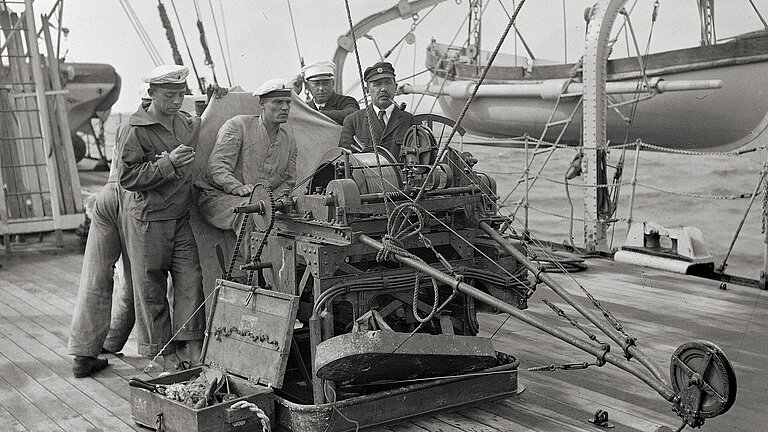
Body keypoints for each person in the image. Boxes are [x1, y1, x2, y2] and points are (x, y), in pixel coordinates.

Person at [115, 64, 206, 371]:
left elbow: (206, 119)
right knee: (151, 287)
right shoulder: (135, 129)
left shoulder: (186, 123)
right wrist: (167, 163)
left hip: (179, 218)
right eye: (169, 95)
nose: (176, 100)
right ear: (151, 94)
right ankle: (163, 354)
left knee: (191, 282)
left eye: (181, 94)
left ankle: (192, 348)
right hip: (148, 221)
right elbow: (127, 178)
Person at [196, 78, 298, 235]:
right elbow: (217, 167)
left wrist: (272, 201)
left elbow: (289, 180)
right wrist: (237, 187)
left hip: (261, 201)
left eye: (287, 102)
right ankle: (253, 260)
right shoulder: (238, 126)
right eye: (277, 102)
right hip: (219, 198)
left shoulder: (289, 140)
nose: (285, 107)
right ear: (262, 104)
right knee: (252, 212)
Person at [67, 152, 136, 378]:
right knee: (135, 278)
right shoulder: (181, 125)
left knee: (94, 275)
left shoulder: (130, 124)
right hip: (135, 198)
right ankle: (113, 340)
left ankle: (85, 353)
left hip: (109, 192)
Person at [338, 62, 417, 159]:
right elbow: (344, 162)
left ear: (395, 87)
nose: (383, 89)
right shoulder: (353, 121)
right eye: (377, 84)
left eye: (388, 83)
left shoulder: (408, 119)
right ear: (366, 90)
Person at [300, 60, 359, 125]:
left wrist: (314, 114)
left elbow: (354, 114)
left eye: (325, 83)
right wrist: (293, 92)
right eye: (316, 84)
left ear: (333, 83)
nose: (321, 88)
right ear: (307, 86)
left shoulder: (345, 102)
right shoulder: (305, 107)